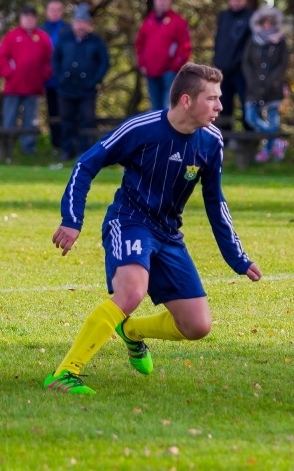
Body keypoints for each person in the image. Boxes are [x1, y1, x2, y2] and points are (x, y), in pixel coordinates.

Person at [44, 63, 263, 394]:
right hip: (129, 221)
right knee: (131, 292)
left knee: (197, 326)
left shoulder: (211, 141)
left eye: (219, 98)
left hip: (169, 234)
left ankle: (131, 331)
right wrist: (72, 220)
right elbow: (86, 164)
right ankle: (64, 373)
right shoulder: (142, 128)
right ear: (186, 100)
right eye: (212, 98)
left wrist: (238, 257)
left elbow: (215, 201)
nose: (220, 106)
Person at [52, 3, 110, 160]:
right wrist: (60, 78)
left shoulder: (96, 41)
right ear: (73, 23)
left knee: (87, 120)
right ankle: (67, 150)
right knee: (66, 120)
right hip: (66, 89)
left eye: (84, 22)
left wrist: (94, 81)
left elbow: (104, 63)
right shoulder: (64, 39)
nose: (80, 25)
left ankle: (85, 150)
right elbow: (55, 60)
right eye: (78, 21)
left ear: (89, 24)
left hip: (87, 90)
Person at [0, 5, 53, 155]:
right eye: (26, 17)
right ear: (21, 18)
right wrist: (9, 74)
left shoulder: (42, 38)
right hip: (13, 87)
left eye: (32, 17)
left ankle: (28, 150)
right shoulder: (12, 36)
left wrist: (42, 76)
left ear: (36, 19)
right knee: (10, 119)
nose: (29, 20)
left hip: (33, 88)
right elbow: (1, 59)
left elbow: (49, 61)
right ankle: (7, 150)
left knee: (31, 121)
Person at [242, 6, 289, 162]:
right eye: (264, 23)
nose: (267, 26)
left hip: (273, 87)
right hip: (254, 87)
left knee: (272, 118)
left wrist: (274, 79)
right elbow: (246, 62)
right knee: (251, 117)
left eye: (270, 23)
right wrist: (251, 80)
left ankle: (267, 150)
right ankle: (276, 141)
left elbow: (283, 63)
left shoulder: (280, 42)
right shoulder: (253, 41)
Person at [135, 0, 192, 111]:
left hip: (169, 72)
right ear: (154, 1)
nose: (161, 2)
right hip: (151, 71)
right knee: (155, 108)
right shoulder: (148, 21)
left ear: (170, 1)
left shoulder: (178, 22)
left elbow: (185, 46)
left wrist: (175, 66)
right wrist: (142, 64)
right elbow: (140, 44)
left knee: (168, 107)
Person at [213, 0, 253, 131]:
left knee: (246, 103)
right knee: (224, 105)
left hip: (242, 70)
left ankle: (249, 138)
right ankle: (225, 138)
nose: (236, 2)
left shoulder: (250, 17)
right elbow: (219, 40)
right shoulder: (224, 17)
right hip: (223, 69)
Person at [41, 0, 71, 152]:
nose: (54, 13)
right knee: (53, 112)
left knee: (67, 113)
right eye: (51, 10)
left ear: (62, 12)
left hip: (66, 80)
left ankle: (68, 144)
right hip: (49, 80)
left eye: (57, 10)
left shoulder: (68, 30)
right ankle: (55, 144)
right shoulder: (40, 30)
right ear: (46, 12)